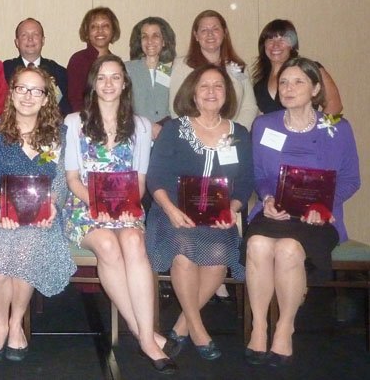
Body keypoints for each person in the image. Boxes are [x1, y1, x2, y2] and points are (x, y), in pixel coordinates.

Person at [64, 54, 179, 374]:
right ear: (93, 84)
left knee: (132, 241)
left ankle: (145, 333)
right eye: (102, 77)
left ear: (125, 83)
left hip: (125, 207)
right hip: (83, 207)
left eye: (116, 77)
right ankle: (146, 337)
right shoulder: (74, 123)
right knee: (108, 246)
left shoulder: (142, 127)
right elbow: (72, 179)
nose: (109, 83)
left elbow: (139, 182)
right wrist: (97, 205)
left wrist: (118, 208)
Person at [242, 57, 359, 367]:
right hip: (273, 215)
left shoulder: (337, 128)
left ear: (315, 88)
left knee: (290, 249)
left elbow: (350, 179)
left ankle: (284, 327)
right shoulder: (264, 124)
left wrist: (325, 208)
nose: (288, 88)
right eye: (283, 82)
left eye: (298, 82)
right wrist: (266, 198)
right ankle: (259, 325)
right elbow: (258, 175)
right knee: (257, 243)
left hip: (319, 220)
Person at [147, 64, 253, 361]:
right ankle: (198, 330)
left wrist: (232, 208)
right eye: (204, 86)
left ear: (227, 94)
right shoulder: (174, 129)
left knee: (218, 258)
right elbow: (155, 177)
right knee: (184, 251)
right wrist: (170, 209)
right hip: (172, 213)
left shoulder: (239, 134)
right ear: (193, 93)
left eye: (218, 86)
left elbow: (245, 183)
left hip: (217, 217)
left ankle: (181, 326)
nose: (210, 92)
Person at [0, 67, 76, 363]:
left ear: (46, 98)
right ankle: (0, 326)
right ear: (12, 92)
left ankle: (17, 321)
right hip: (1, 210)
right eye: (22, 88)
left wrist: (53, 206)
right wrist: (2, 203)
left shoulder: (59, 133)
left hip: (44, 212)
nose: (28, 96)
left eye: (36, 90)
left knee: (25, 249)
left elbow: (60, 179)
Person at [169, 10, 258, 130]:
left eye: (215, 29)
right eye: (204, 30)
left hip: (230, 138)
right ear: (196, 35)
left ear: (224, 33)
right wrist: (195, 134)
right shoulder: (181, 66)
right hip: (193, 137)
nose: (210, 34)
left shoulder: (238, 68)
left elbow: (249, 106)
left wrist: (234, 132)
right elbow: (176, 107)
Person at [251, 19, 343, 114]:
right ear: (264, 45)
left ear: (292, 45)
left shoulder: (310, 69)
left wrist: (319, 128)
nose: (276, 45)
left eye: (282, 39)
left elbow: (335, 105)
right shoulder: (258, 85)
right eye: (270, 39)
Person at [3, 17, 71, 115]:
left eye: (35, 35)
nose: (30, 39)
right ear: (17, 42)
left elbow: (64, 109)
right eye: (24, 35)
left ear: (43, 40)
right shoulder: (4, 70)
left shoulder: (59, 72)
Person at [125, 16, 177, 140]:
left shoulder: (170, 71)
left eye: (155, 36)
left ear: (164, 41)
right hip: (135, 133)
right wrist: (148, 126)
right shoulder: (126, 69)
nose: (150, 41)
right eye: (144, 36)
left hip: (166, 134)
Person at [67, 7, 120, 113]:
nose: (100, 31)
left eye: (105, 26)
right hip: (85, 122)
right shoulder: (78, 60)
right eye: (94, 27)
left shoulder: (117, 63)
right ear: (87, 32)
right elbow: (75, 100)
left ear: (113, 30)